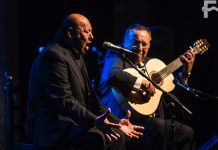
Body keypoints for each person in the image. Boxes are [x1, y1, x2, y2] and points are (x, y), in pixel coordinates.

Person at [26, 14, 144, 150]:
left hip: (73, 123)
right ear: (70, 33)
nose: (91, 37)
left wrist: (118, 122)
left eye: (91, 32)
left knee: (118, 134)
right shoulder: (53, 56)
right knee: (99, 137)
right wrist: (95, 121)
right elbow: (65, 101)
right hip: (55, 127)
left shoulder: (77, 56)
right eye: (86, 31)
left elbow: (92, 101)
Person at [99, 24, 196, 150]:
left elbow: (170, 90)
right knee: (160, 129)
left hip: (152, 118)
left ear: (149, 45)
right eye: (135, 43)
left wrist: (185, 73)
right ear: (125, 42)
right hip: (123, 118)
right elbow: (111, 75)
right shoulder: (116, 54)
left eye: (144, 44)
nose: (140, 48)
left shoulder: (151, 64)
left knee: (187, 133)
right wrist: (141, 83)